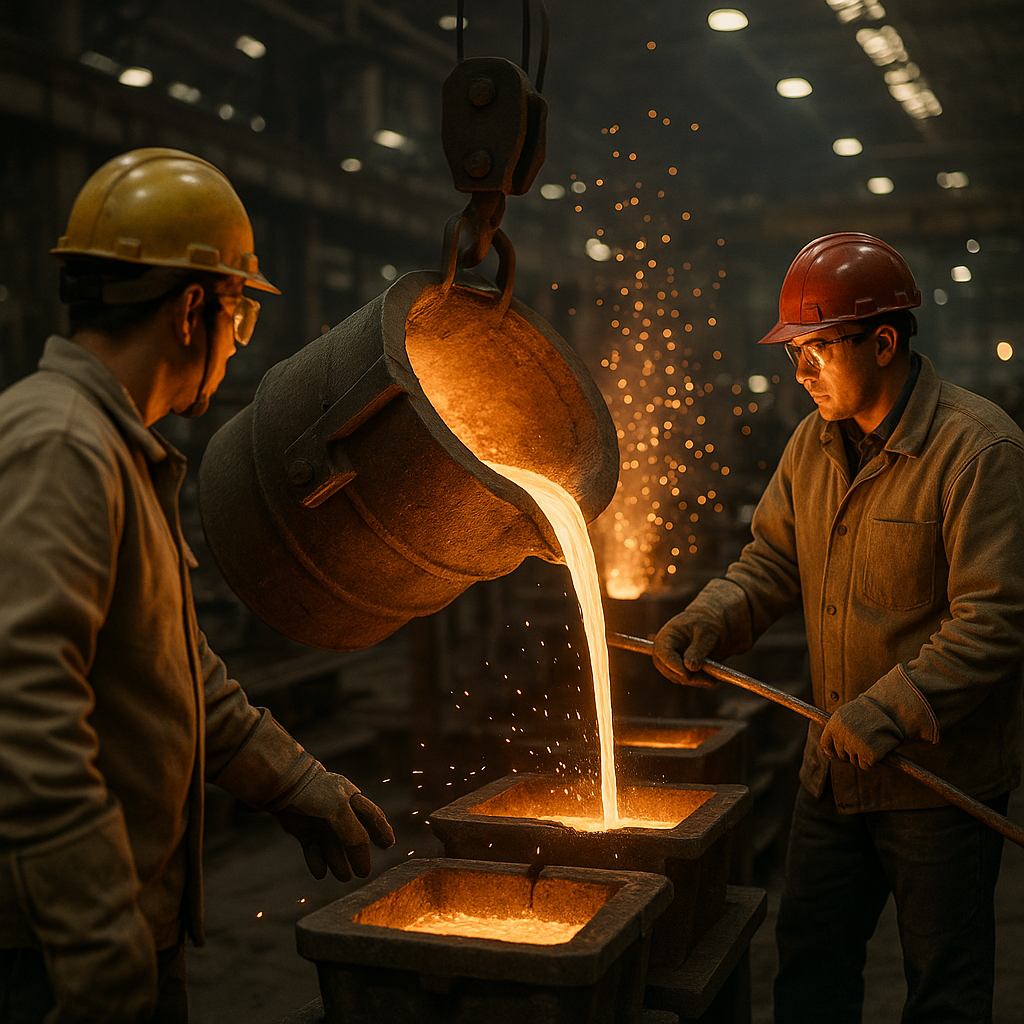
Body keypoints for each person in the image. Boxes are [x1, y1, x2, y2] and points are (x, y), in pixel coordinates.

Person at [0, 148, 395, 1024]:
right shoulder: (62, 447)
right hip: (51, 956)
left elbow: (173, 670)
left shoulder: (114, 449)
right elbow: (23, 716)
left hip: (98, 933)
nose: (235, 344)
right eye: (241, 318)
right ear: (192, 309)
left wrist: (296, 783)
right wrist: (103, 949)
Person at [654, 232, 1024, 1024]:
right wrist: (713, 616)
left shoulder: (977, 450)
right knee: (811, 965)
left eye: (817, 348)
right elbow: (774, 561)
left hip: (939, 783)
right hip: (833, 774)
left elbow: (995, 619)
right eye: (795, 352)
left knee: (944, 992)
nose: (800, 371)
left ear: (882, 341)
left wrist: (890, 707)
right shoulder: (813, 446)